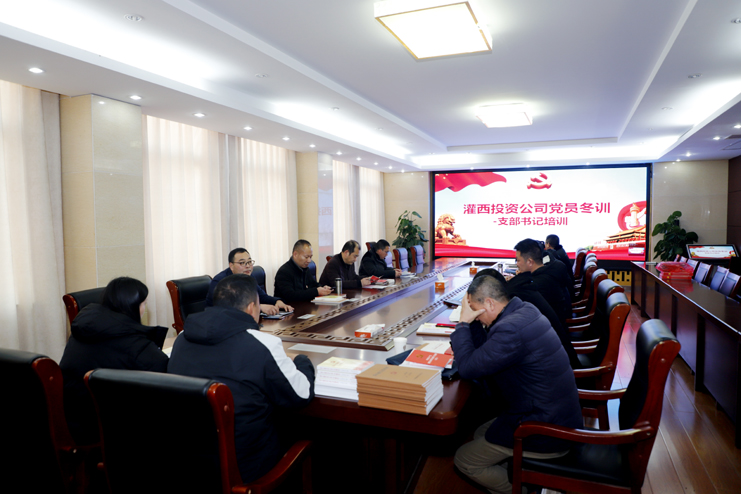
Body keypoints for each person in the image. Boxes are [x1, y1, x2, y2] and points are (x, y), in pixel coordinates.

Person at [168, 274, 314, 484]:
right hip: (247, 466)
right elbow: (301, 395)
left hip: (189, 462)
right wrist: (302, 360)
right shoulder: (262, 344)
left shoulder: (183, 338)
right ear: (252, 308)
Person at [450, 275, 582, 494]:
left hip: (545, 430)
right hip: (557, 414)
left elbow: (468, 368)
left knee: (465, 460)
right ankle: (519, 474)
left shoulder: (510, 329)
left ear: (489, 303)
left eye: (474, 310)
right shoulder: (523, 309)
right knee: (480, 432)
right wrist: (473, 318)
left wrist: (463, 323)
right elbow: (483, 351)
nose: (474, 316)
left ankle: (525, 490)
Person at [59, 277, 168, 445]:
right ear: (133, 306)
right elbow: (164, 370)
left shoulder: (85, 327)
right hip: (105, 425)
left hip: (71, 412)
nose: (144, 309)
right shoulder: (133, 343)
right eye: (143, 304)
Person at [474, 268, 580, 369]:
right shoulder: (518, 294)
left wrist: (469, 321)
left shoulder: (513, 299)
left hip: (560, 366)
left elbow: (481, 360)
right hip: (558, 360)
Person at [205, 247, 293, 315]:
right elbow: (226, 308)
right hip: (219, 322)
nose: (247, 266)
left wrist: (277, 301)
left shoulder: (249, 277)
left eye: (249, 262)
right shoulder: (220, 281)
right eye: (242, 263)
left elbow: (262, 296)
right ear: (231, 266)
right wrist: (259, 307)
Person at [514, 238, 573, 327]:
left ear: (530, 262)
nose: (517, 264)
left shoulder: (537, 284)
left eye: (518, 260)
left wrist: (518, 279)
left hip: (552, 330)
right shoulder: (549, 270)